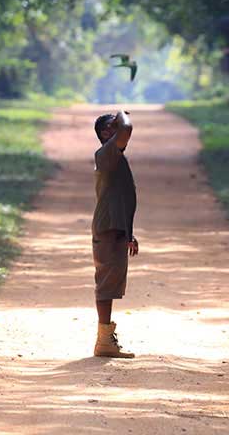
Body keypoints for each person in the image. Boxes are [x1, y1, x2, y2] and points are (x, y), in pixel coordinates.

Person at [91, 109, 139, 358]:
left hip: (115, 228)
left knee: (111, 283)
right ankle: (104, 342)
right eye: (113, 125)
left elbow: (120, 198)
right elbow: (128, 128)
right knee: (106, 285)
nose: (119, 127)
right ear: (106, 133)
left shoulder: (113, 155)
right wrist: (122, 112)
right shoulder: (106, 153)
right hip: (108, 228)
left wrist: (129, 233)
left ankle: (106, 339)